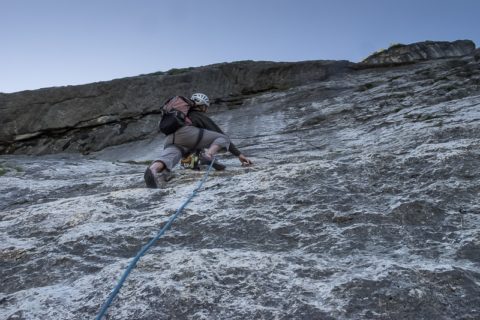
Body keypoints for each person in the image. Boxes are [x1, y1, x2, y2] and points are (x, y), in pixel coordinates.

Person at [144, 93, 253, 188]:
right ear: (202, 106)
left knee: (167, 158)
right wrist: (239, 154)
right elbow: (219, 133)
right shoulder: (197, 115)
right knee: (223, 138)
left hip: (170, 140)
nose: (206, 110)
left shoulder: (179, 115)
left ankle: (153, 170)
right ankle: (209, 156)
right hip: (187, 135)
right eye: (205, 107)